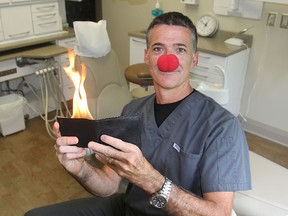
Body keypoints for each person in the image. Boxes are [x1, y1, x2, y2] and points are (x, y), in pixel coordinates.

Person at [25, 11, 251, 216]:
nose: (167, 59)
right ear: (147, 56)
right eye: (158, 48)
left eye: (180, 49)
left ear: (195, 58)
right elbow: (108, 185)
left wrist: (152, 181)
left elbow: (220, 214)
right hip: (127, 209)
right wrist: (80, 169)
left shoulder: (222, 127)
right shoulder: (132, 110)